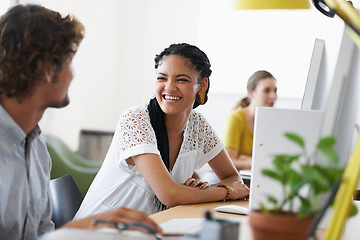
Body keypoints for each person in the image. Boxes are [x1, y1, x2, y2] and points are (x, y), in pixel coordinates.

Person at [0, 4, 161, 240]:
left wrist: (87, 230)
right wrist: (81, 229)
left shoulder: (37, 148)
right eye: (69, 62)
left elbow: (42, 233)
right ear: (48, 69)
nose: (72, 75)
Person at [74, 43, 250, 219]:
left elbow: (233, 177)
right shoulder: (135, 119)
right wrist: (225, 192)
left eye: (181, 79)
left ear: (202, 85)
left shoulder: (198, 125)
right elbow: (169, 195)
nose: (169, 87)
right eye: (162, 78)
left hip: (148, 228)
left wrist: (196, 192)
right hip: (99, 229)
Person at [222, 70, 277, 170]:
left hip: (254, 175)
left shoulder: (276, 120)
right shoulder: (236, 118)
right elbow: (228, 161)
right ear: (251, 93)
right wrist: (254, 162)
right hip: (225, 175)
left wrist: (247, 160)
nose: (273, 96)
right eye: (267, 91)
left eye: (275, 91)